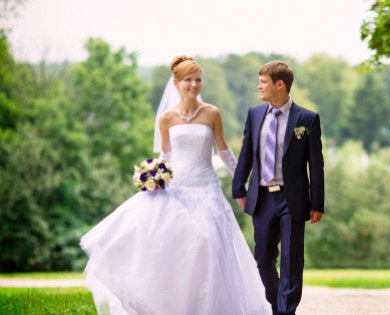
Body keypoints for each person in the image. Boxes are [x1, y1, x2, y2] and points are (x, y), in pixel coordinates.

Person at [80, 55, 272, 315]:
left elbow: (225, 152)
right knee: (181, 251)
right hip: (178, 190)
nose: (194, 85)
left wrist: (244, 184)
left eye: (198, 80)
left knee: (210, 246)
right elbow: (166, 157)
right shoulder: (167, 118)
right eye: (188, 80)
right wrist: (153, 175)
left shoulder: (212, 113)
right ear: (176, 83)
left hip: (207, 189)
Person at [232, 60, 325, 315]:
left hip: (292, 199)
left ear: (279, 85)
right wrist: (239, 186)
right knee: (262, 259)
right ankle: (277, 305)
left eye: (263, 82)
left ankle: (286, 312)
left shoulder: (307, 119)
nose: (258, 86)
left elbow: (316, 165)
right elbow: (247, 154)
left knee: (291, 260)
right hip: (262, 198)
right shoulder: (254, 114)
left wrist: (317, 202)